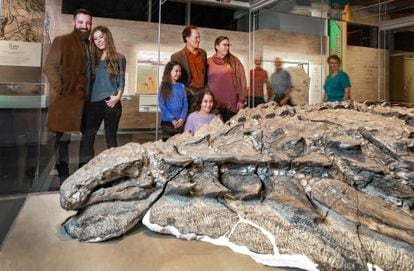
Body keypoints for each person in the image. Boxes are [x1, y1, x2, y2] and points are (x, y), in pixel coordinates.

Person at [43, 8, 93, 182]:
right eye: (81, 22)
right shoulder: (62, 41)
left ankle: (80, 172)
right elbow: (49, 67)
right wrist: (62, 88)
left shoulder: (90, 44)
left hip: (84, 101)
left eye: (87, 23)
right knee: (61, 139)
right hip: (65, 101)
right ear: (74, 22)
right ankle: (60, 172)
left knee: (82, 139)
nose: (84, 26)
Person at [79, 26, 126, 167]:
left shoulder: (119, 58)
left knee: (111, 139)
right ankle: (84, 170)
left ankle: (114, 170)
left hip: (111, 102)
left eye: (101, 37)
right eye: (95, 38)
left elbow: (121, 80)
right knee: (88, 138)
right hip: (93, 104)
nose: (99, 41)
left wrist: (117, 97)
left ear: (107, 37)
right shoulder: (91, 58)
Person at [207, 36, 247, 122]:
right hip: (213, 105)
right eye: (224, 45)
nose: (227, 47)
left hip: (231, 105)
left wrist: (241, 100)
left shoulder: (234, 61)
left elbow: (242, 81)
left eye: (228, 45)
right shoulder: (208, 62)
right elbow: (204, 83)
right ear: (216, 46)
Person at [171, 25, 207, 110]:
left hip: (203, 95)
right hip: (188, 97)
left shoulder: (203, 53)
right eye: (196, 37)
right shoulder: (176, 57)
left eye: (199, 37)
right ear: (187, 38)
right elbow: (175, 80)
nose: (198, 40)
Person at [158, 61, 188, 138]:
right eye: (176, 71)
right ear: (169, 71)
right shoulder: (163, 86)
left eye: (180, 71)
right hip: (167, 123)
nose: (178, 73)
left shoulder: (182, 86)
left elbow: (185, 104)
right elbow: (162, 105)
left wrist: (182, 119)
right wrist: (172, 119)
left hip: (180, 122)